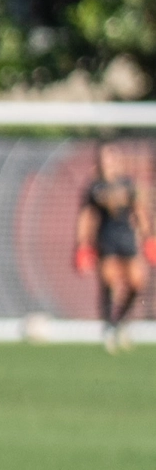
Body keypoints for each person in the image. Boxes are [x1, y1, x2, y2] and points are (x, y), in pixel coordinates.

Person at [74, 142, 150, 353]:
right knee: (109, 281)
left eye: (112, 157)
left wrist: (148, 238)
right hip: (106, 239)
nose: (108, 162)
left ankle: (120, 322)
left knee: (136, 283)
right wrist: (82, 245)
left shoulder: (127, 184)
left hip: (126, 238)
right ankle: (108, 328)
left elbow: (139, 211)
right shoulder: (94, 187)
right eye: (105, 158)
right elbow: (85, 217)